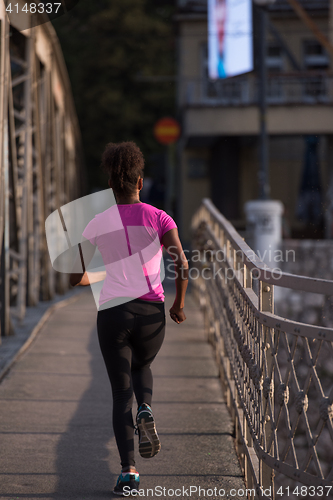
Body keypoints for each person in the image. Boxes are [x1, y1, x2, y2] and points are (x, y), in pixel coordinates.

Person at [70, 141, 189, 496]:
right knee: (142, 367)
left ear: (111, 186)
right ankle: (147, 408)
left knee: (121, 393)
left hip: (113, 313)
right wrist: (179, 304)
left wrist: (102, 274)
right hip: (151, 312)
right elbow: (181, 263)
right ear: (139, 182)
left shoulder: (96, 223)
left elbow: (77, 278)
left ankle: (128, 472)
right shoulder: (159, 217)